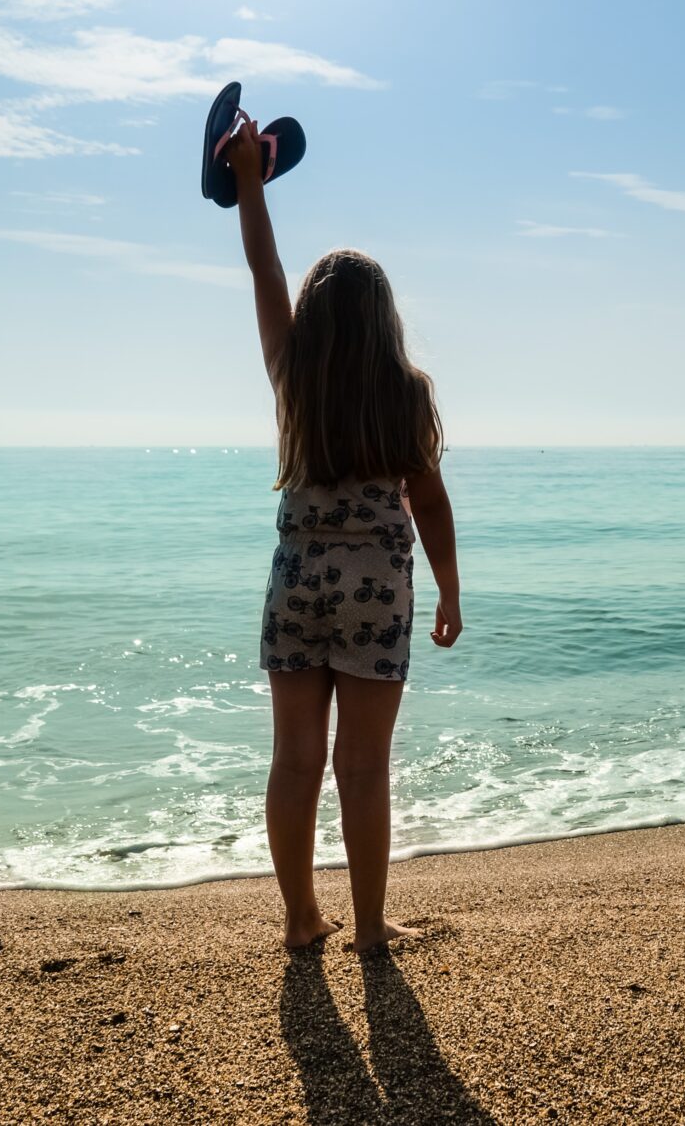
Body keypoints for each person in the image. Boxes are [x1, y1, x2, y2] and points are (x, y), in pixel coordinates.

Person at [223, 118, 462, 953]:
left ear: (315, 320)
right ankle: (366, 928)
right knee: (362, 767)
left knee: (294, 762)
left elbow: (264, 266)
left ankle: (298, 919)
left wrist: (251, 179)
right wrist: (449, 591)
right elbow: (428, 503)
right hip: (375, 591)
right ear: (385, 320)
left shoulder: (291, 373)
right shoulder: (405, 392)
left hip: (296, 583)